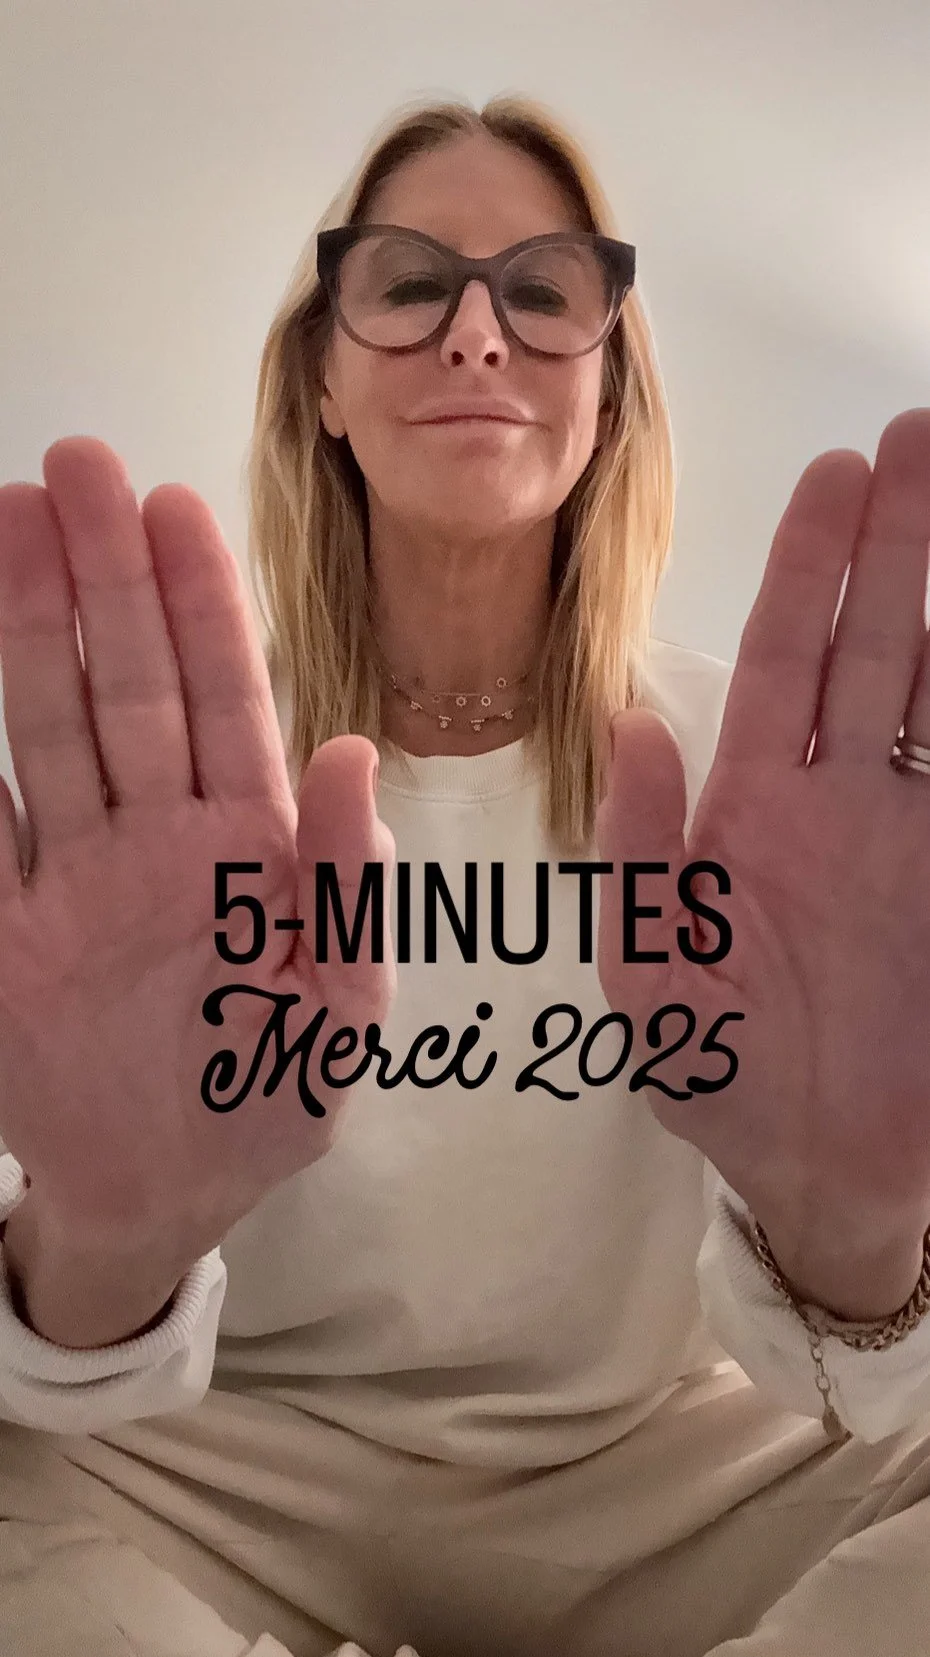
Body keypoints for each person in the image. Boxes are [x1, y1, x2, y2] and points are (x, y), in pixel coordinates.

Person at [0, 91, 929, 1657]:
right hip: (228, 1470)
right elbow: (55, 1361)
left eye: (544, 291)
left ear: (609, 388)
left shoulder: (759, 781)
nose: (477, 336)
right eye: (413, 283)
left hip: (667, 1483)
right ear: (323, 375)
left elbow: (863, 1379)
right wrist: (101, 1236)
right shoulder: (176, 797)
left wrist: (851, 1229)